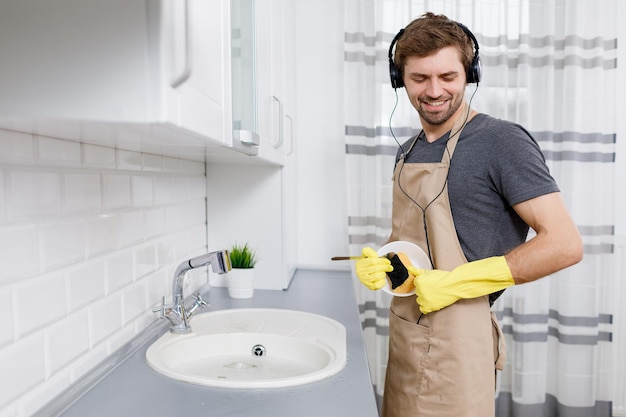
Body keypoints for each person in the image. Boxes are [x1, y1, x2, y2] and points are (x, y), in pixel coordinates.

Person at [354, 12, 583, 417]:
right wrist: (388, 264)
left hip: (458, 348)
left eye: (448, 76)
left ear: (469, 74)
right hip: (406, 337)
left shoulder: (501, 141)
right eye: (419, 78)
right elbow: (422, 246)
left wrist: (460, 281)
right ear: (399, 79)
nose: (434, 90)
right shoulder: (406, 149)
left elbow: (564, 244)